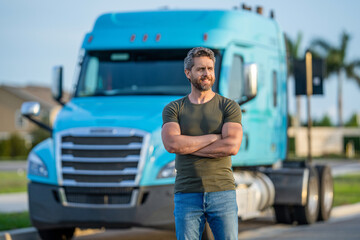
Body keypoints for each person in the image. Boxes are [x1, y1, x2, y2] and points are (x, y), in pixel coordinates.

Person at [161, 47, 243, 240]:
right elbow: (172, 144)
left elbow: (231, 146)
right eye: (200, 69)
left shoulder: (228, 106)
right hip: (187, 194)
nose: (206, 74)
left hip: (222, 191)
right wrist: (213, 137)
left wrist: (188, 146)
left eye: (210, 68)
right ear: (188, 73)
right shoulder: (174, 108)